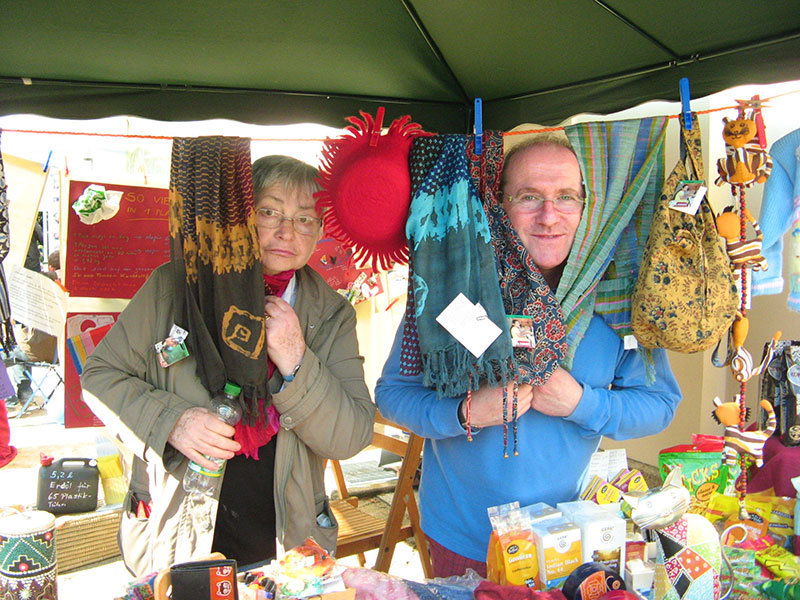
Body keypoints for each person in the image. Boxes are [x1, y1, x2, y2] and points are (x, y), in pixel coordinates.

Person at [375, 138, 682, 577]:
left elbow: (660, 404)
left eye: (566, 198)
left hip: (566, 539)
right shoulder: (451, 289)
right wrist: (463, 413)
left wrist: (581, 403)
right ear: (499, 205)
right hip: (463, 539)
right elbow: (393, 394)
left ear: (586, 207)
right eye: (529, 197)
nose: (549, 216)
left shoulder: (616, 300)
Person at [81, 154, 375, 575]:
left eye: (305, 219)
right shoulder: (174, 287)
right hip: (179, 528)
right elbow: (99, 378)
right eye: (269, 212)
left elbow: (351, 436)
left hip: (285, 536)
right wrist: (173, 423)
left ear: (321, 231)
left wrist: (295, 358)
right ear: (241, 217)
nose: (286, 231)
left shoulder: (330, 316)